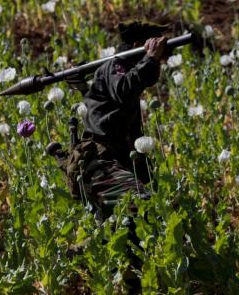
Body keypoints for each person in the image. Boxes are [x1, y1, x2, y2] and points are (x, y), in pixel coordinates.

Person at [59, 20, 170, 221]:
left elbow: (106, 109)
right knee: (141, 211)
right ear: (138, 45)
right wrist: (150, 58)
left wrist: (85, 89)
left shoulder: (116, 70)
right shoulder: (116, 66)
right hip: (103, 163)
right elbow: (123, 91)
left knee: (149, 213)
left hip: (120, 159)